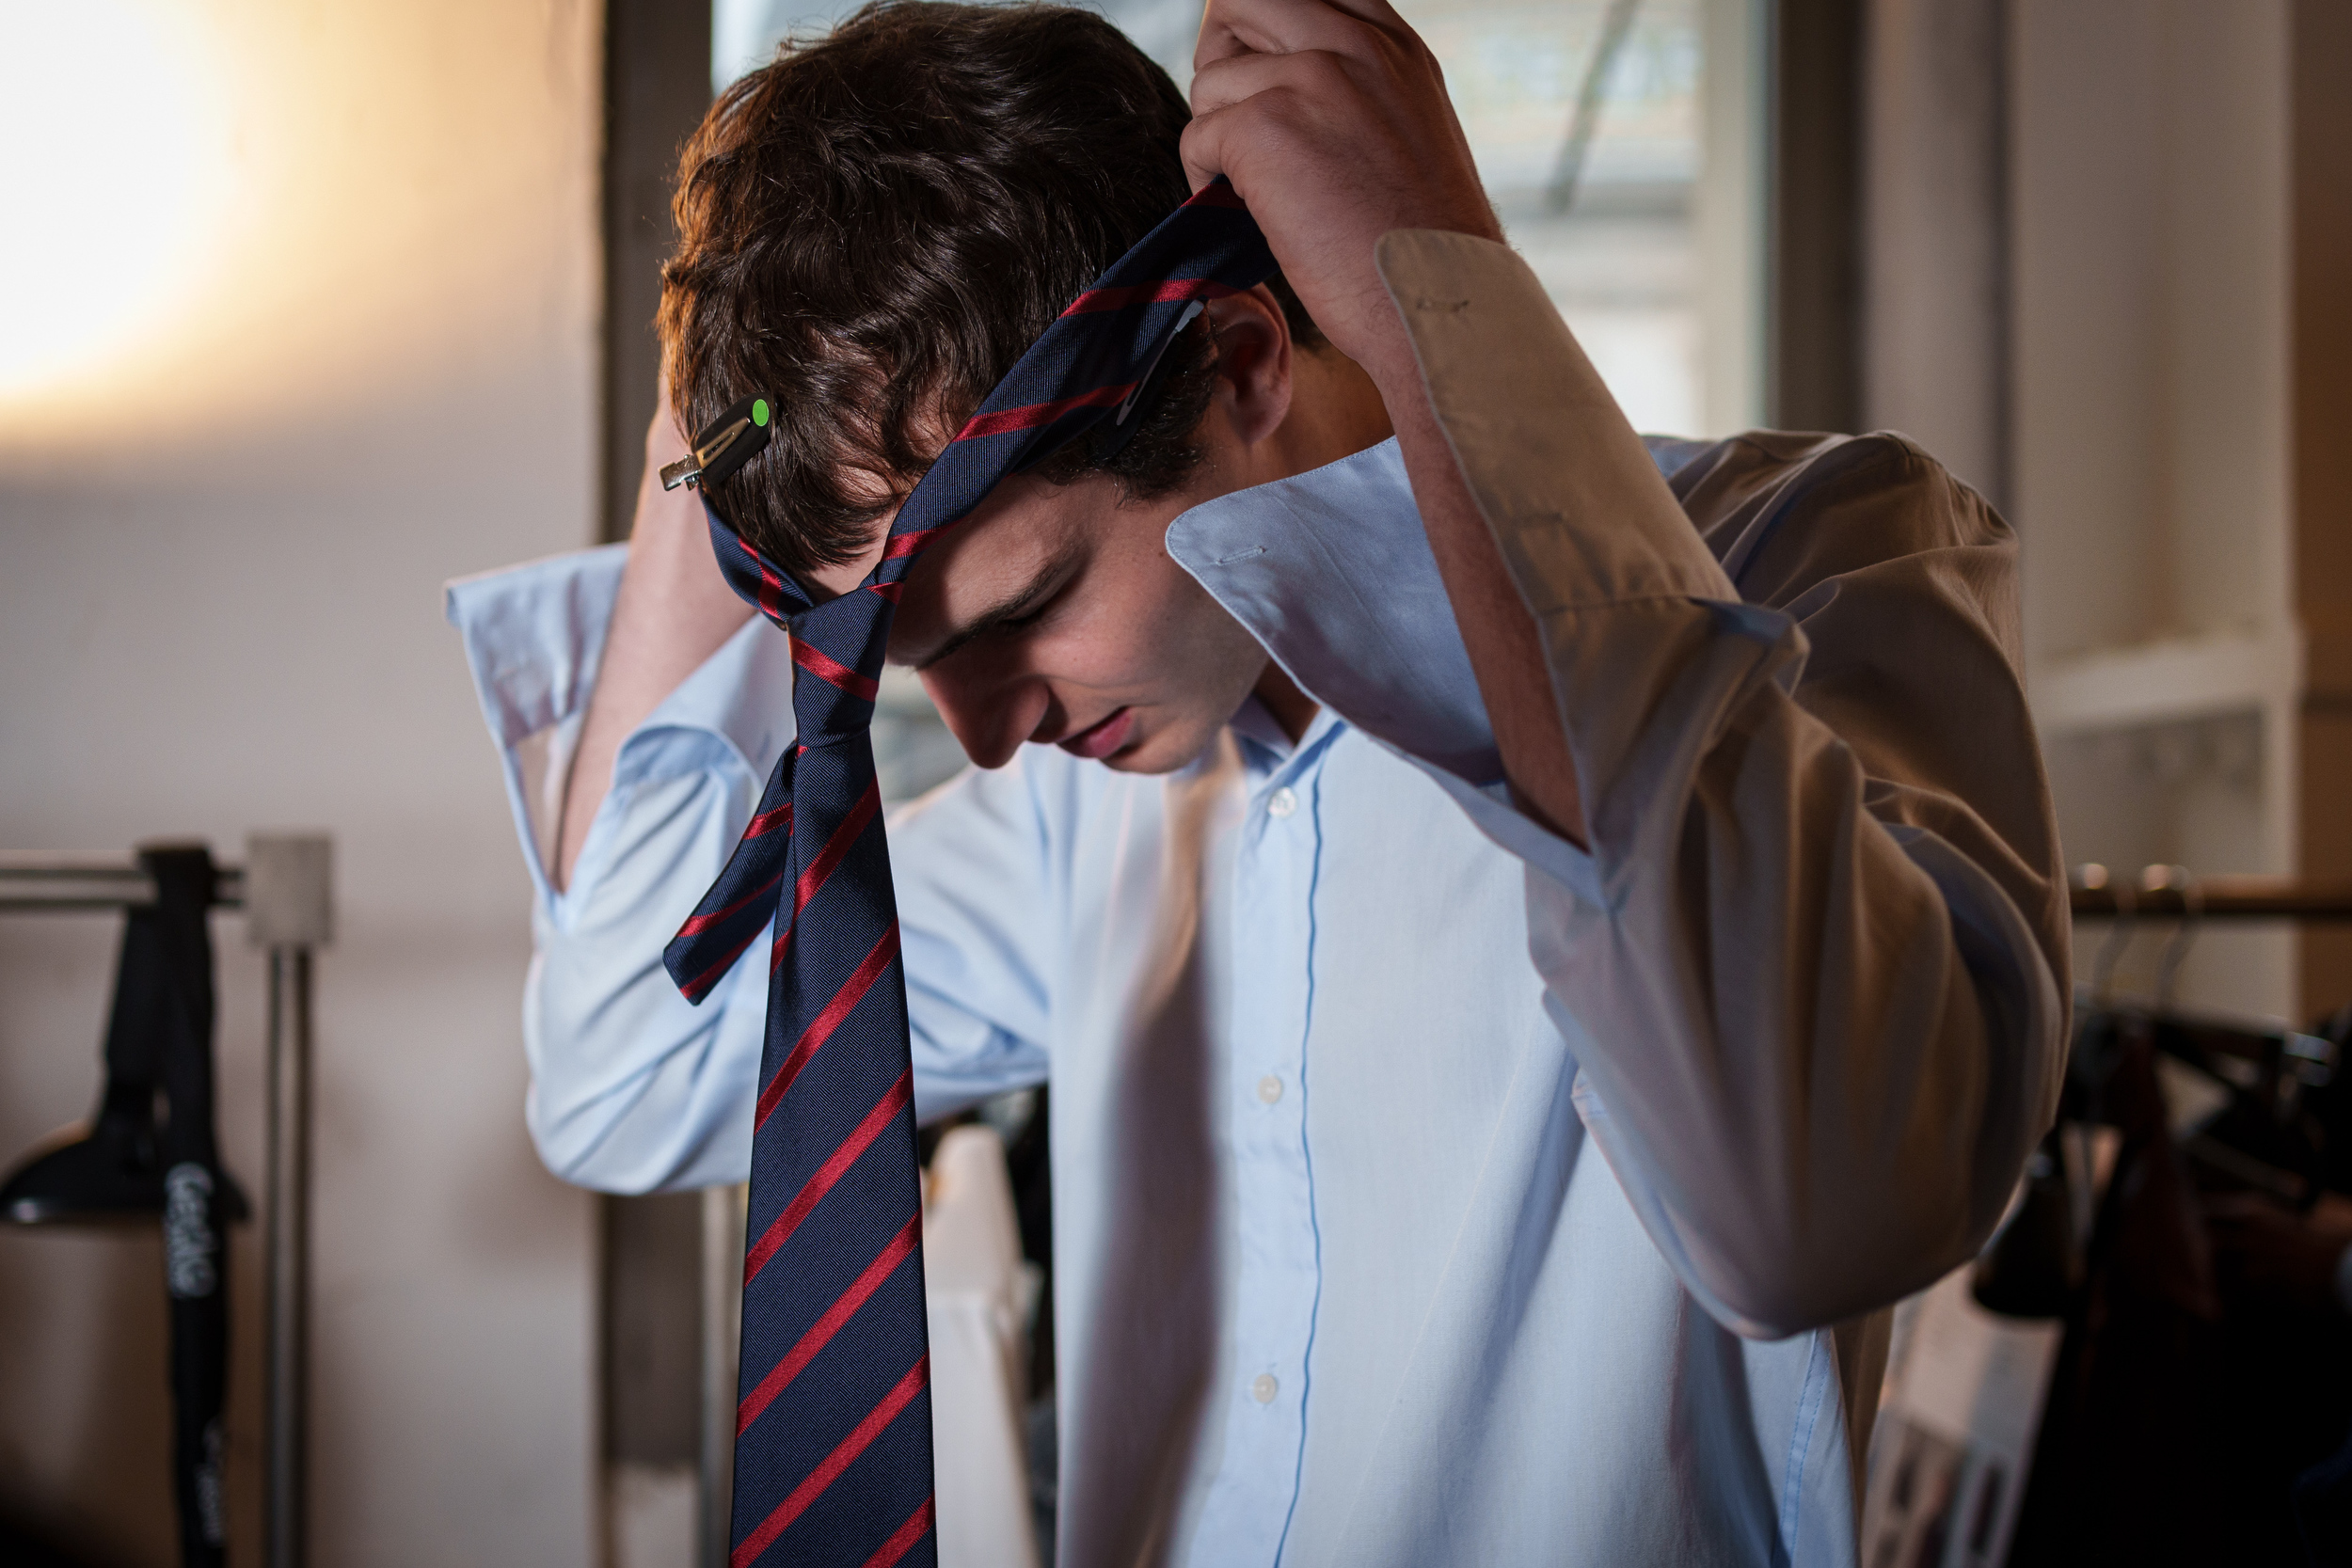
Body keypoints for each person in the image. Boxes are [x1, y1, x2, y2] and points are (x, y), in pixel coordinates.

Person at [447, 1, 2070, 1560]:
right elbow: (620, 1062)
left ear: (1237, 362)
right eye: (917, 658)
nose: (992, 730)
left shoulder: (1819, 563)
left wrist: (1435, 293)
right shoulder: (1095, 798)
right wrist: (735, 364)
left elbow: (1809, 1207)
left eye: (1021, 611)